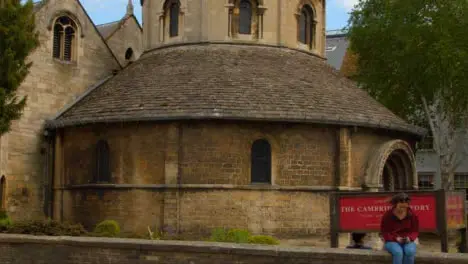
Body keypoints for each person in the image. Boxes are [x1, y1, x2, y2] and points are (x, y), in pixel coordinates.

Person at [380, 193, 419, 264]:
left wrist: (410, 238)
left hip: (408, 240)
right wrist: (396, 239)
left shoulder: (412, 214)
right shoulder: (388, 215)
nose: (403, 209)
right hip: (392, 240)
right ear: (395, 205)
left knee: (410, 251)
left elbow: (415, 231)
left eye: (405, 207)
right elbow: (385, 232)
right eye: (400, 207)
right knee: (398, 252)